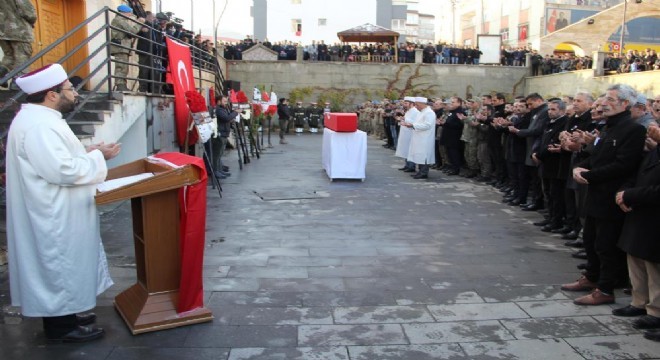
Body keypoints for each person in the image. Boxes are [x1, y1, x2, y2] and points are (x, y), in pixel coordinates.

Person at [6, 64, 121, 342]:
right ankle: (61, 327)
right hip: (52, 213)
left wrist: (87, 151)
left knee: (63, 264)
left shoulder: (41, 119)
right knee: (58, 264)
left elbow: (57, 157)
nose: (75, 94)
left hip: (56, 207)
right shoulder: (39, 125)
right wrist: (98, 158)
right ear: (51, 95)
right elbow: (61, 170)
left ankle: (66, 314)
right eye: (69, 89)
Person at [564, 84, 647, 306]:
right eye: (604, 99)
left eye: (610, 99)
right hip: (595, 194)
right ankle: (591, 277)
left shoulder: (633, 129)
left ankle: (606, 288)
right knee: (590, 239)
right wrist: (580, 167)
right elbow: (597, 156)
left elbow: (623, 165)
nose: (604, 104)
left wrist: (590, 175)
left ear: (625, 104)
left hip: (611, 196)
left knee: (606, 245)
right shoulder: (608, 127)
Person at [0, 0, 37, 87]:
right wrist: (32, 21)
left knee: (9, 56)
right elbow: (29, 13)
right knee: (22, 57)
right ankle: (18, 84)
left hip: (2, 32)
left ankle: (1, 76)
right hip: (19, 31)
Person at [110, 4, 145, 91]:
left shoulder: (121, 20)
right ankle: (120, 86)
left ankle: (122, 85)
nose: (130, 15)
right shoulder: (119, 20)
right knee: (121, 67)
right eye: (129, 13)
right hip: (120, 47)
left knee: (124, 68)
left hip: (123, 47)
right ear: (124, 12)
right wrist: (139, 22)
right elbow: (132, 31)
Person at [403, 97, 436, 179]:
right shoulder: (421, 112)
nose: (416, 107)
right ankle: (420, 171)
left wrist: (413, 125)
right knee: (419, 155)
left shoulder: (429, 113)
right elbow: (417, 122)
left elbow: (427, 125)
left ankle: (424, 172)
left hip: (425, 138)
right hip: (419, 137)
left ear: (422, 104)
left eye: (417, 105)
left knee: (424, 155)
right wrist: (411, 124)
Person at [212, 94, 236, 179]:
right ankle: (215, 171)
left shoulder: (223, 109)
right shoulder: (218, 110)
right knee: (217, 154)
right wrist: (236, 112)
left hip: (224, 133)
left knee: (220, 154)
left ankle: (219, 170)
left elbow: (227, 118)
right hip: (220, 134)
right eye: (224, 101)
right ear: (219, 101)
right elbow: (226, 118)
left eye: (226, 101)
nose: (226, 103)